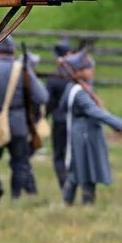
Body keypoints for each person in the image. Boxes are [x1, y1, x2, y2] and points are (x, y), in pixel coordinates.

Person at [0, 36, 48, 202]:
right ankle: (15, 198)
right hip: (19, 124)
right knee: (20, 164)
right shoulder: (22, 69)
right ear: (13, 51)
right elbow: (42, 96)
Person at [58, 51, 122, 205]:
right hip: (84, 133)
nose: (92, 71)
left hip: (83, 131)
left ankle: (68, 202)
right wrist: (117, 123)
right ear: (80, 71)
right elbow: (93, 111)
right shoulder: (78, 91)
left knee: (76, 168)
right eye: (88, 68)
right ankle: (85, 202)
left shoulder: (77, 87)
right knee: (85, 168)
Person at [46, 38, 73, 188]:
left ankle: (65, 185)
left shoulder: (54, 77)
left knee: (59, 155)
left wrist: (42, 117)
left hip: (60, 121)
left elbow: (48, 102)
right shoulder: (77, 76)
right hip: (76, 119)